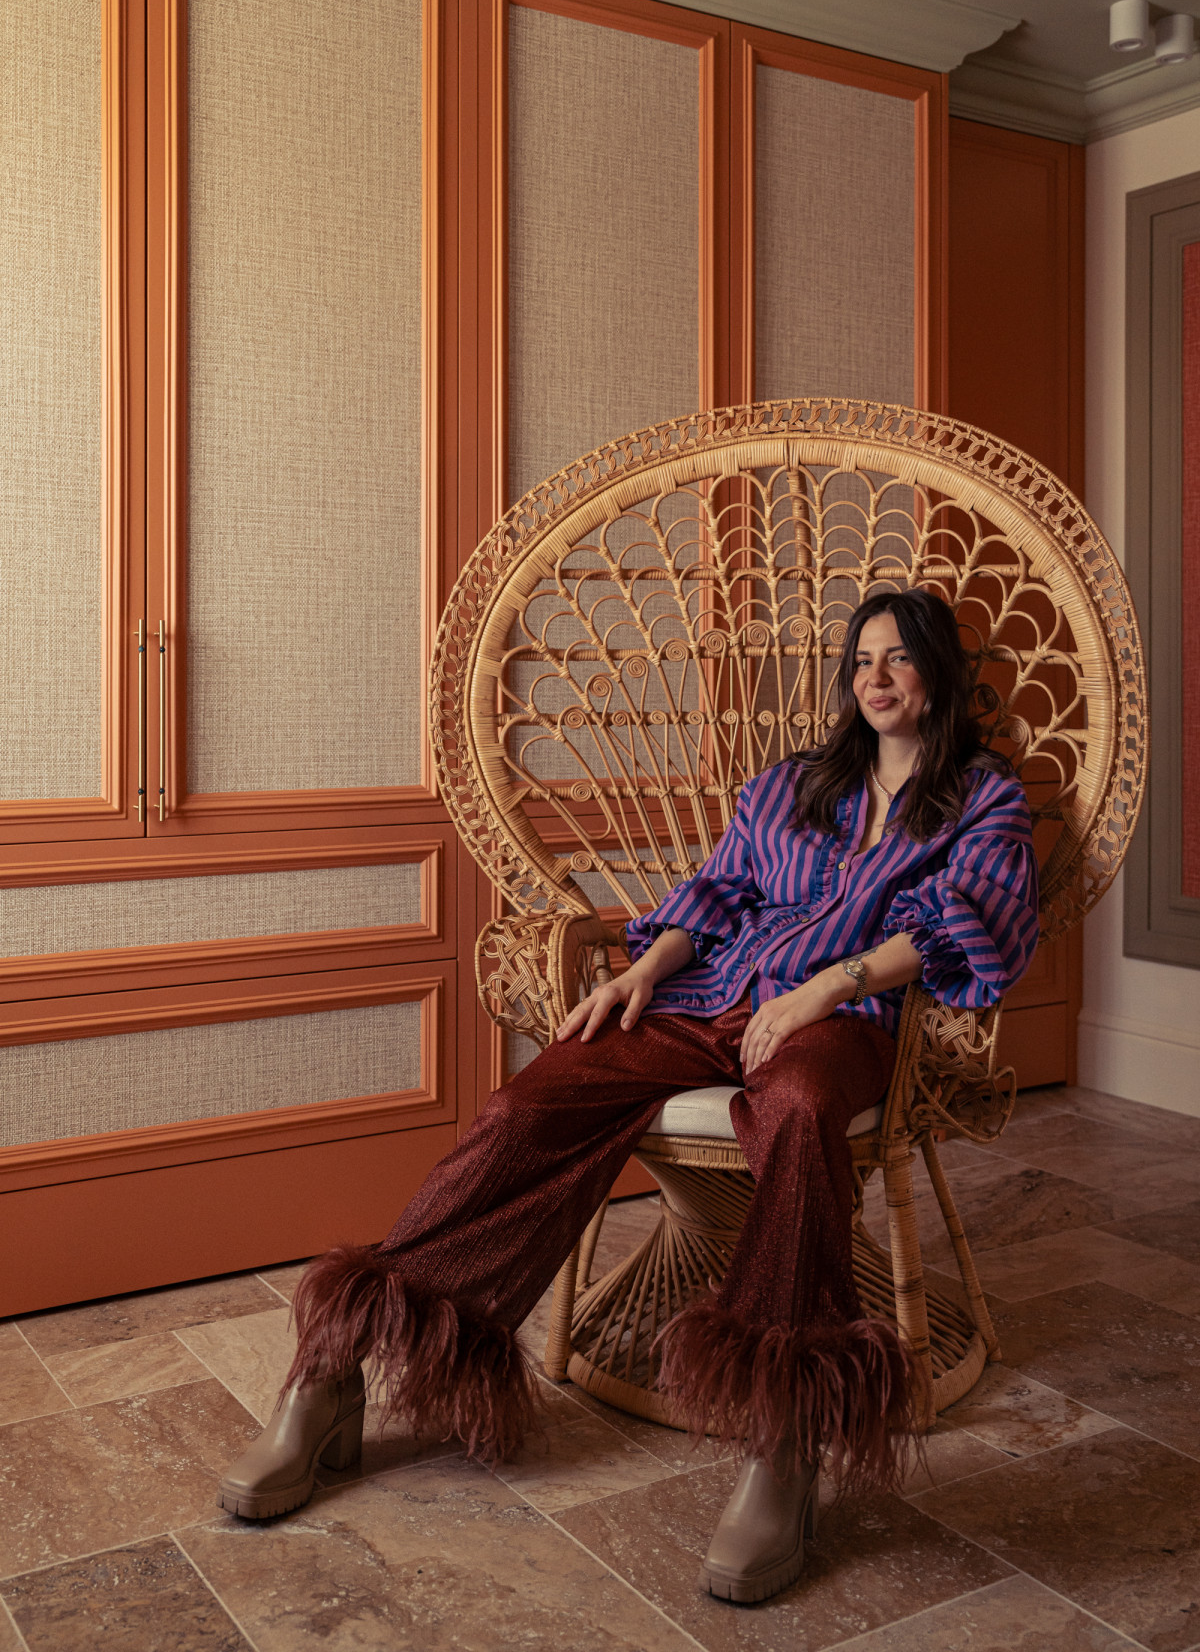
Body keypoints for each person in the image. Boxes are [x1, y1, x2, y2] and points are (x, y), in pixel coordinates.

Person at [218, 587, 1039, 1606]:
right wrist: (641, 972)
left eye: (899, 658)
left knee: (796, 1111)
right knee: (527, 1107)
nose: (876, 677)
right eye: (862, 659)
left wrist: (828, 988)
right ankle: (332, 1371)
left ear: (937, 675)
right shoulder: (794, 785)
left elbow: (973, 919)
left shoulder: (983, 799)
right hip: (710, 996)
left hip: (846, 1022)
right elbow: (718, 895)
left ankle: (783, 1444)